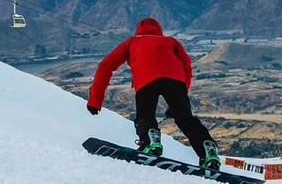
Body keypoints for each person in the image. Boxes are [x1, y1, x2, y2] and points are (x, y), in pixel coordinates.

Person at [84, 17, 221, 170]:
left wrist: (95, 100)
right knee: (186, 120)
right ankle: (207, 150)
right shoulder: (171, 41)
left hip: (146, 80)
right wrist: (181, 96)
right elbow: (186, 66)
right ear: (159, 30)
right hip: (176, 82)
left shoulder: (131, 42)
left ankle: (150, 142)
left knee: (145, 116)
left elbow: (105, 66)